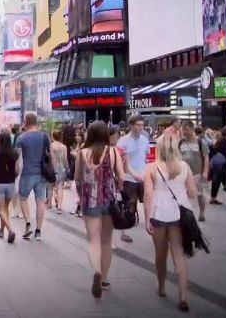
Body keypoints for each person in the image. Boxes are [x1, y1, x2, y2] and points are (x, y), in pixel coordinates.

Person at [143, 135, 198, 311]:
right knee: (179, 255)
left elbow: (148, 196)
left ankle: (161, 287)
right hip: (179, 215)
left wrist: (146, 218)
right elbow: (192, 193)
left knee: (160, 254)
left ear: (158, 149)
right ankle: (183, 296)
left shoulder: (151, 168)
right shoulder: (184, 167)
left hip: (159, 213)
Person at [74, 121, 125, 299]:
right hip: (109, 200)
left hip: (90, 201)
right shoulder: (112, 152)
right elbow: (121, 177)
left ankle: (96, 271)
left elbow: (78, 179)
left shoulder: (82, 153)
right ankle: (104, 278)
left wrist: (81, 197)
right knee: (106, 240)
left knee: (93, 241)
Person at [15, 113, 51, 241]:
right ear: (36, 122)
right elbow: (49, 154)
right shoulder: (44, 136)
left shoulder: (22, 137)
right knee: (40, 201)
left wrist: (16, 170)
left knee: (23, 198)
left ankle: (28, 223)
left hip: (27, 173)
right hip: (42, 173)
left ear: (26, 122)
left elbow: (17, 156)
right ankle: (38, 231)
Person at [116, 115, 151, 243]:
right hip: (129, 177)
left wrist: (146, 172)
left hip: (143, 175)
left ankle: (148, 224)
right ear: (131, 125)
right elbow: (123, 161)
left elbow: (145, 157)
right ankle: (124, 231)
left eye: (142, 125)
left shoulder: (145, 140)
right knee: (130, 204)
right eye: (138, 125)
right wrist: (132, 173)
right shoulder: (123, 141)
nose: (141, 127)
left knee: (147, 200)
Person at [178, 121, 210, 221]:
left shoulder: (200, 142)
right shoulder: (180, 142)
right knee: (183, 194)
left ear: (192, 129)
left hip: (197, 173)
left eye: (186, 130)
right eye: (183, 129)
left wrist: (205, 171)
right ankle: (185, 214)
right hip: (184, 174)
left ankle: (202, 212)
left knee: (200, 195)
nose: (184, 132)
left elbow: (206, 157)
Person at [0, 130, 19, 243]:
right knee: (5, 209)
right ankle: (1, 230)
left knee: (1, 209)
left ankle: (10, 230)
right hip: (11, 183)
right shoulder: (14, 153)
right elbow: (17, 171)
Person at [210, 127, 226, 204]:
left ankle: (213, 198)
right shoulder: (224, 141)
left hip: (218, 165)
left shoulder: (220, 140)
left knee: (216, 182)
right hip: (223, 165)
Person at [48, 129, 69, 213]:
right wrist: (67, 168)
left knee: (50, 187)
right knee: (60, 187)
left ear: (53, 136)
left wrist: (53, 169)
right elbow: (65, 159)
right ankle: (59, 206)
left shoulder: (51, 146)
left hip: (53, 168)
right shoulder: (64, 146)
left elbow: (52, 158)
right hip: (61, 168)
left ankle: (49, 204)